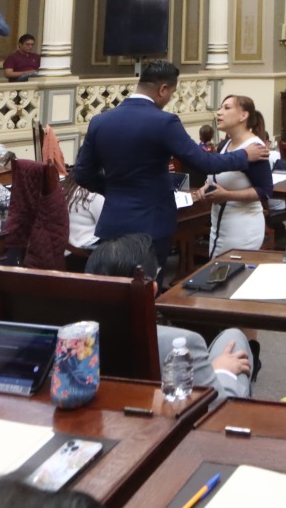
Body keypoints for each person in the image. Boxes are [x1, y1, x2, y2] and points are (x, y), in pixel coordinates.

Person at [70, 60, 269, 265]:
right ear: (163, 89)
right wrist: (244, 155)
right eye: (172, 93)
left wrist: (114, 190)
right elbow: (205, 162)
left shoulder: (100, 121)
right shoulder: (164, 122)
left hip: (113, 223)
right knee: (147, 290)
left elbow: (82, 174)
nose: (169, 99)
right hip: (151, 226)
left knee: (115, 288)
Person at [85, 234, 253, 401]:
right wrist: (220, 371)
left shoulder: (75, 340)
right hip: (177, 416)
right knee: (234, 338)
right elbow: (217, 409)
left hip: (105, 413)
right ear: (153, 288)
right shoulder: (182, 343)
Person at [200, 94, 274, 255]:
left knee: (231, 276)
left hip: (243, 229)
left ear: (243, 115)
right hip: (220, 225)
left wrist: (228, 195)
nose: (219, 113)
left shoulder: (255, 149)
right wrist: (205, 188)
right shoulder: (224, 144)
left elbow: (265, 190)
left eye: (226, 108)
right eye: (220, 108)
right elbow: (216, 177)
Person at [63, 175, 105, 251]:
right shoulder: (94, 196)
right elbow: (107, 226)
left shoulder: (65, 190)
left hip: (67, 249)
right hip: (89, 251)